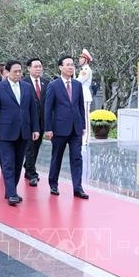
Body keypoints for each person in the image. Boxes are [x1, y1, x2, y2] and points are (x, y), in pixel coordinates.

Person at [0, 60, 39, 206]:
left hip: (23, 131)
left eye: (19, 71)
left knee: (18, 163)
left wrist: (35, 128)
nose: (18, 74)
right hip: (5, 132)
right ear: (7, 72)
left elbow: (32, 110)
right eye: (15, 71)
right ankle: (11, 194)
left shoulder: (27, 87)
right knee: (8, 163)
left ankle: (11, 190)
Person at [43, 55, 89, 199]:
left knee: (77, 158)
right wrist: (48, 128)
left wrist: (82, 125)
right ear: (60, 67)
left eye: (72, 65)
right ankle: (53, 184)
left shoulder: (77, 84)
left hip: (75, 128)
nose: (71, 67)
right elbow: (48, 109)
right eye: (67, 64)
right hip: (59, 128)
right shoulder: (53, 85)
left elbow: (80, 106)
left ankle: (77, 187)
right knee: (57, 157)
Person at [23, 57, 50, 187]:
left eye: (40, 66)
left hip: (42, 121)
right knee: (30, 147)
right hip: (28, 121)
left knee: (36, 146)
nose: (38, 69)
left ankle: (28, 164)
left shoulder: (46, 82)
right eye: (35, 67)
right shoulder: (24, 83)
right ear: (29, 68)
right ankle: (31, 173)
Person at [76, 49, 94, 145]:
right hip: (81, 95)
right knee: (82, 116)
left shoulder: (86, 70)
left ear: (86, 59)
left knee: (86, 117)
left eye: (81, 58)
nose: (79, 59)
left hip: (85, 96)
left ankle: (86, 139)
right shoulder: (83, 70)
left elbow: (79, 81)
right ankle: (83, 137)